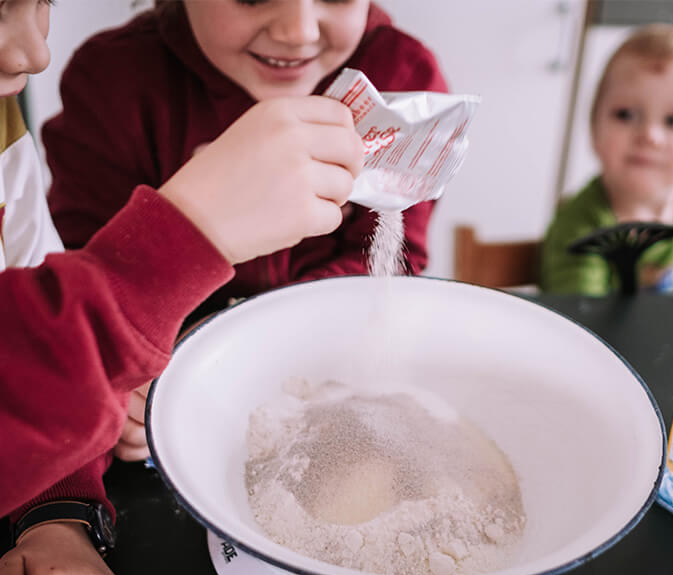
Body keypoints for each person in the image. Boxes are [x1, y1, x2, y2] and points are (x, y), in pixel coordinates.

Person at [0, 0, 363, 575]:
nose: (34, 55)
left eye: (43, 4)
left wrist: (58, 515)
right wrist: (181, 238)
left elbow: (31, 330)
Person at [40, 0, 448, 461]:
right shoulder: (114, 82)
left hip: (335, 365)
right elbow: (88, 275)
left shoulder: (401, 76)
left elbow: (389, 264)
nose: (298, 31)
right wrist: (131, 387)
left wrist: (240, 339)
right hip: (175, 378)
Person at [540, 23, 673, 296]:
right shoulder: (582, 218)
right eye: (626, 115)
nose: (649, 135)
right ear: (595, 130)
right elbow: (580, 314)